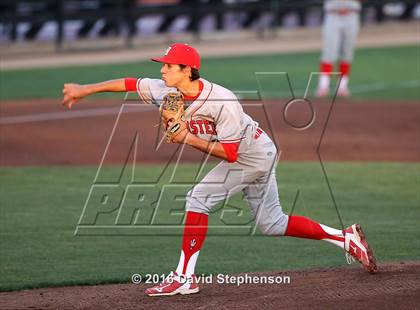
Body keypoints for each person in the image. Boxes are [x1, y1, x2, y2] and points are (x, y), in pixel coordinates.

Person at [62, 43, 377, 297]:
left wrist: (186, 138)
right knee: (272, 223)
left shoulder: (222, 100)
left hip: (251, 156)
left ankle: (184, 277)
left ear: (187, 70)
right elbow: (129, 83)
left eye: (169, 65)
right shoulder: (166, 90)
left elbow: (230, 154)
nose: (162, 69)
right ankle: (346, 238)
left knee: (197, 199)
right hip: (258, 151)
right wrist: (84, 89)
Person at [316, 0, 362, 97]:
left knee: (347, 53)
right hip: (333, 14)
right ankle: (323, 85)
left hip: (351, 14)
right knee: (329, 52)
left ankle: (342, 86)